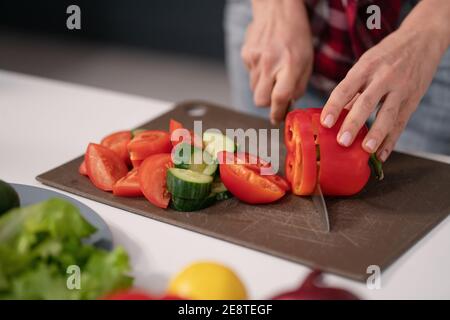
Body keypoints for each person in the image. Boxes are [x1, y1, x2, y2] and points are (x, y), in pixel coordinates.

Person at [224, 0, 450, 162]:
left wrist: (431, 28)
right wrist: (275, 6)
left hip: (428, 41)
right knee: (264, 167)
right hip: (279, 26)